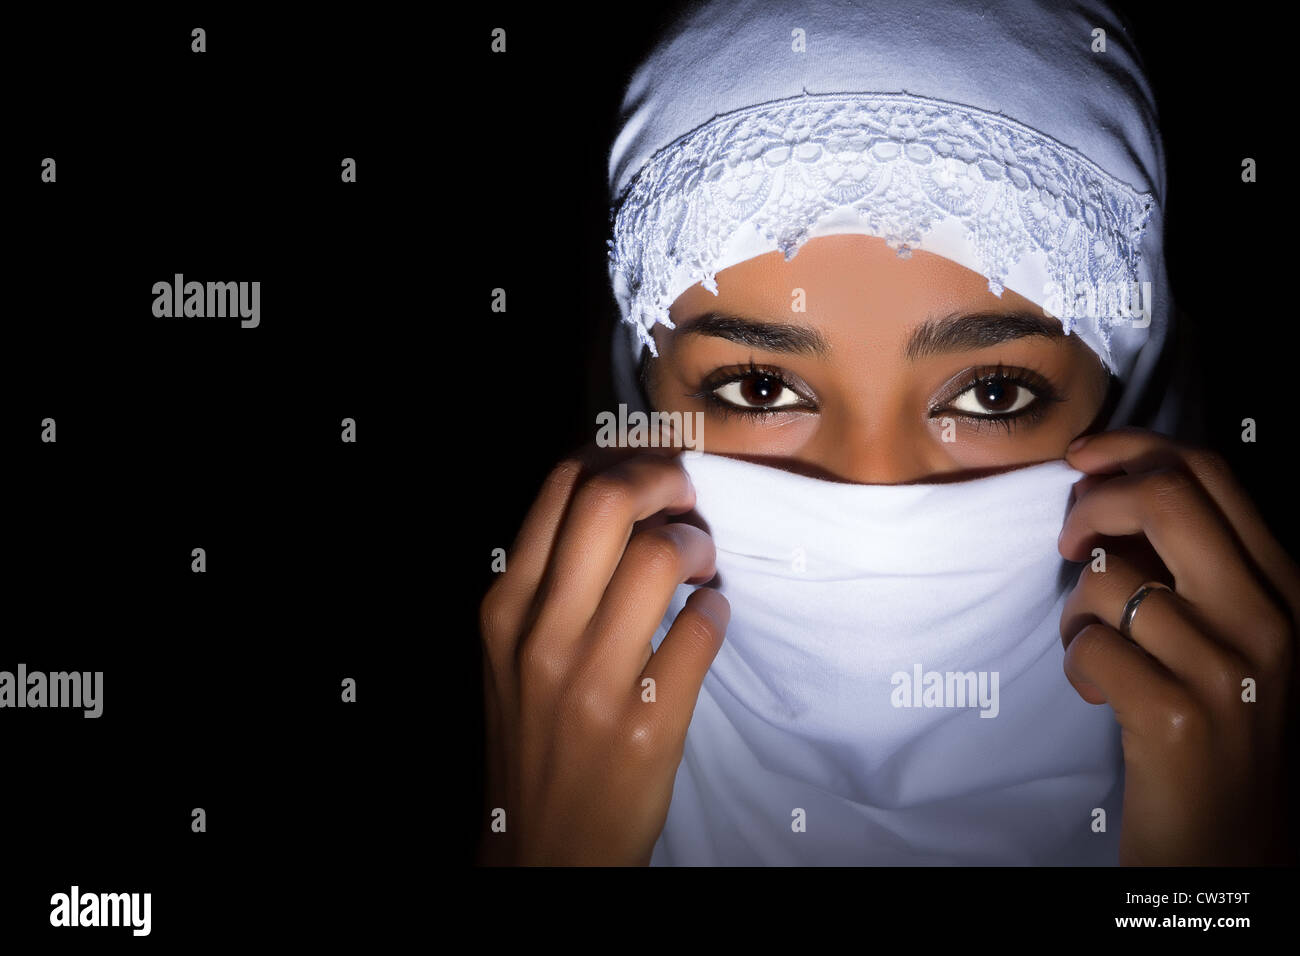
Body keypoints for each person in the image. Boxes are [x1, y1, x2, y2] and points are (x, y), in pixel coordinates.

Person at [477, 0, 1297, 865]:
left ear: (1121, 400)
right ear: (645, 393)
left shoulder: (1223, 806)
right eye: (761, 386)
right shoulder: (543, 775)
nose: (875, 493)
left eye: (990, 393)